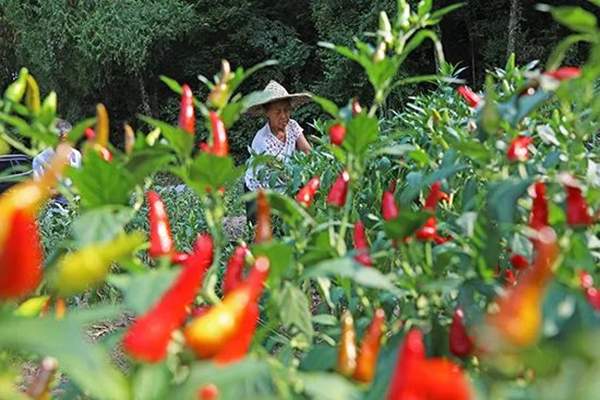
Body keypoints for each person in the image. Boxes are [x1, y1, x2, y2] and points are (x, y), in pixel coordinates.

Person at [244, 80, 312, 223]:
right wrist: (303, 184)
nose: (284, 116)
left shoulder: (293, 126)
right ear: (266, 112)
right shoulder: (262, 141)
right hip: (259, 191)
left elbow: (307, 151)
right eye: (278, 112)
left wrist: (314, 172)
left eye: (286, 110)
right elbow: (280, 174)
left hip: (283, 186)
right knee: (261, 233)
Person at [32, 119, 82, 206]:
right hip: (56, 210)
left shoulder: (76, 154)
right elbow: (44, 194)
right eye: (63, 140)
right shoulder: (40, 160)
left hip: (77, 207)